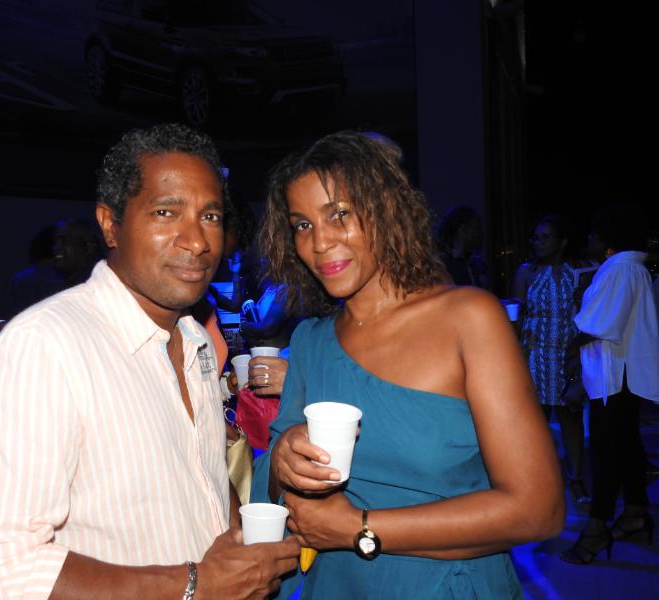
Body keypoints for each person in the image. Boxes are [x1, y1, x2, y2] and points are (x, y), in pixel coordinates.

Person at [0, 123, 299, 598]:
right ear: (110, 225)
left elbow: (203, 471)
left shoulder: (194, 340)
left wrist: (236, 550)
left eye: (210, 216)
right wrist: (197, 584)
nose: (197, 240)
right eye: (166, 212)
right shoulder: (44, 348)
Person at [252, 131, 564, 598]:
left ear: (385, 209)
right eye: (302, 225)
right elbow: (272, 495)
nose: (319, 242)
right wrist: (282, 461)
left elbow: (538, 509)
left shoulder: (467, 319)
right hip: (336, 586)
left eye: (339, 214)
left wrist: (358, 528)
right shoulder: (310, 341)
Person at [560, 203, 659, 565]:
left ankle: (597, 527)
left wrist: (571, 349)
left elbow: (600, 324)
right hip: (623, 373)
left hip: (615, 375)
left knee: (606, 452)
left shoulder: (620, 269)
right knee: (626, 444)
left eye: (593, 234)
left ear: (607, 239)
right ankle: (635, 513)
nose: (588, 239)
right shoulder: (631, 269)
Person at [512, 214, 594, 505]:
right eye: (535, 237)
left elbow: (588, 312)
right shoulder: (527, 272)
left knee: (571, 418)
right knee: (536, 422)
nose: (538, 242)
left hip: (568, 353)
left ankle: (576, 478)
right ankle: (535, 483)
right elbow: (517, 315)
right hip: (535, 354)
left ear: (562, 242)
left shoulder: (578, 271)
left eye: (545, 237)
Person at [435, 204, 489, 288]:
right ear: (462, 229)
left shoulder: (474, 266)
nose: (480, 234)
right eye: (476, 228)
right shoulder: (441, 266)